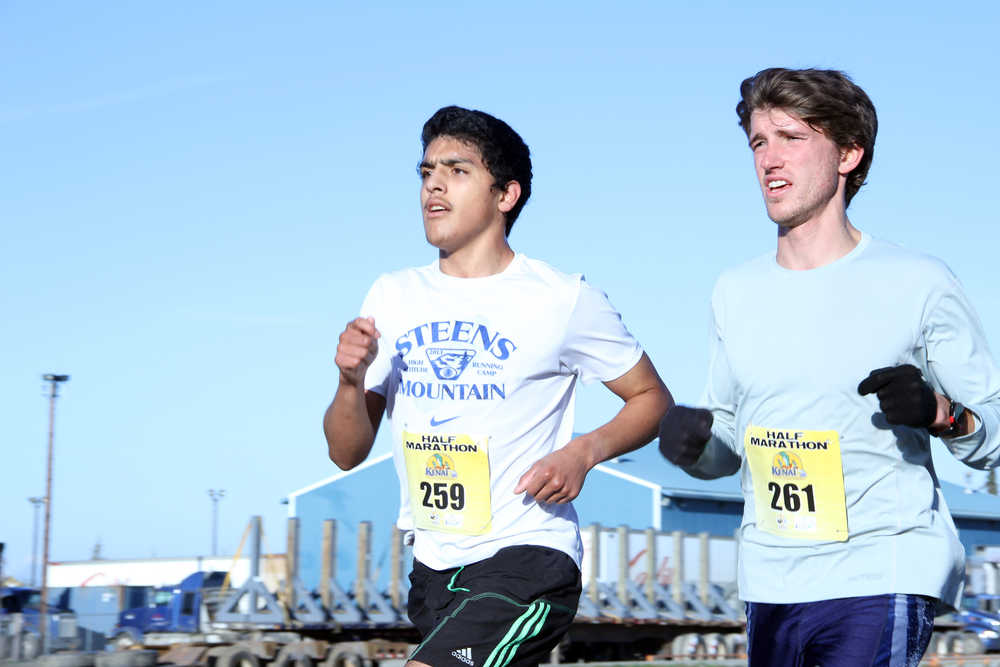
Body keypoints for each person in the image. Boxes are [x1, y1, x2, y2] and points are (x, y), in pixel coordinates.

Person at [658, 67, 1000, 666]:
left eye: (791, 138)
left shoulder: (918, 281)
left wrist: (941, 414)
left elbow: (992, 438)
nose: (769, 158)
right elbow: (730, 445)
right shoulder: (734, 290)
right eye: (759, 142)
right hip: (771, 581)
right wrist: (692, 446)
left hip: (882, 568)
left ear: (848, 154)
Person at [325, 105, 672, 667]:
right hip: (433, 567)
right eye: (426, 170)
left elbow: (653, 399)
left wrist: (584, 452)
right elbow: (345, 453)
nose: (434, 183)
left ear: (505, 195)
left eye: (457, 170)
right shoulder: (392, 295)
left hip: (528, 556)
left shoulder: (561, 298)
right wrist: (348, 381)